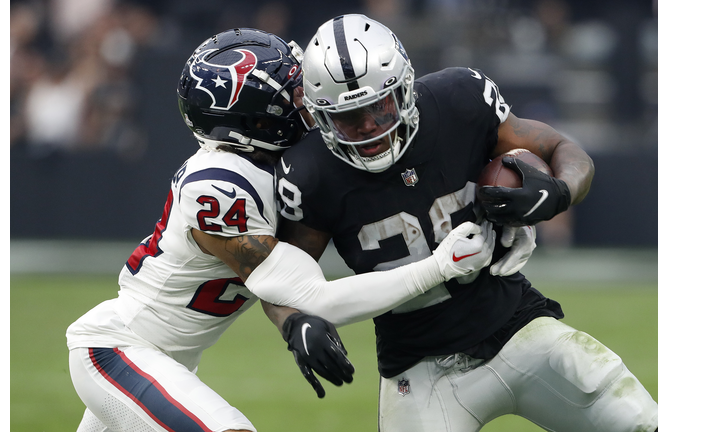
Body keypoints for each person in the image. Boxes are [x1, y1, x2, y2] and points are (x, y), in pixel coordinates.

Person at [66, 27, 508, 432]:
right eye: (293, 96)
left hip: (166, 360)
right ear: (256, 121)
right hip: (119, 348)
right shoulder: (220, 186)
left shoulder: (287, 166)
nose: (307, 102)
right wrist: (438, 267)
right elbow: (316, 297)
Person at [274, 14, 658, 432]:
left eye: (378, 106)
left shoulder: (459, 100)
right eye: (350, 116)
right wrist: (293, 321)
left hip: (517, 328)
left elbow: (564, 148)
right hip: (418, 369)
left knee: (641, 422)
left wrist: (558, 193)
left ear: (403, 87)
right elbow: (282, 279)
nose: (368, 127)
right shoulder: (309, 173)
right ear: (322, 116)